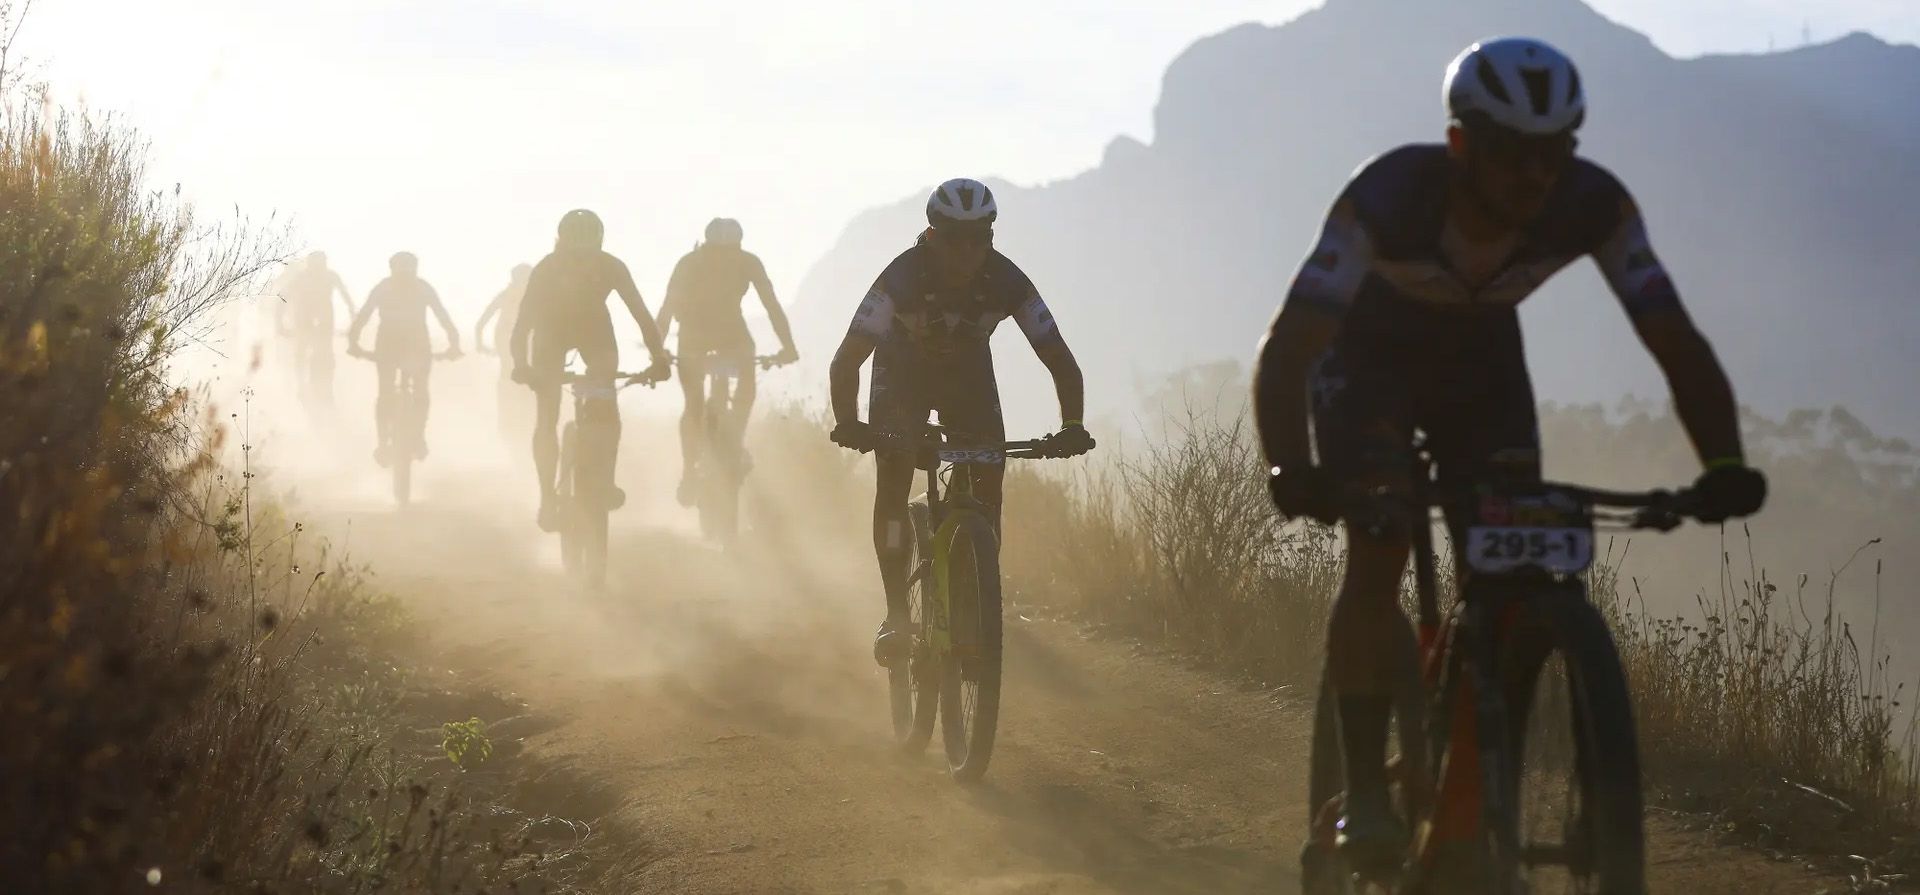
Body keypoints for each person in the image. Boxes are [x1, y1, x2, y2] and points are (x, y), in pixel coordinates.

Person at [1249, 37, 1769, 879]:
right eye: (1510, 153)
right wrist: (1290, 464)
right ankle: (1369, 797)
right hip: (1367, 359)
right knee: (1379, 543)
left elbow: (1671, 337)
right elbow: (1293, 344)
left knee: (1514, 554)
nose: (1534, 176)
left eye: (1554, 153)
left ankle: (1474, 767)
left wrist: (1724, 464)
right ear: (1460, 143)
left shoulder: (1593, 204)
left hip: (1481, 365)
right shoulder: (1385, 197)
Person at [827, 178, 1096, 665]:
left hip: (967, 378)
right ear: (932, 235)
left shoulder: (1008, 279)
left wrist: (1073, 424)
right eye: (954, 238)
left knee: (990, 477)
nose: (967, 251)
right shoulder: (900, 278)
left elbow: (1058, 356)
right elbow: (847, 360)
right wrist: (851, 423)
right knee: (894, 475)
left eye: (980, 238)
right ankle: (897, 616)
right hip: (901, 375)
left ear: (991, 238)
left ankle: (975, 599)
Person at [509, 209, 672, 530]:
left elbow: (641, 315)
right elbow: (524, 321)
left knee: (583, 405)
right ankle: (549, 496)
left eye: (586, 253)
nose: (581, 259)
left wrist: (522, 365)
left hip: (581, 335)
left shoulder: (567, 265)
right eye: (575, 253)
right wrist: (658, 358)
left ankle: (592, 485)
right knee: (556, 412)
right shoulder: (584, 265)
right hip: (562, 335)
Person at [658, 217, 799, 504]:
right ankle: (697, 464)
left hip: (703, 337)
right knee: (702, 400)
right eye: (717, 255)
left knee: (696, 403)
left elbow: (668, 308)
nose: (722, 260)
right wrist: (787, 347)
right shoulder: (745, 261)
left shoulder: (692, 262)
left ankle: (713, 455)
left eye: (727, 254)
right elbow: (770, 304)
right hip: (722, 335)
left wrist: (657, 353)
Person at [346, 252, 462, 466]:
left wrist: (353, 344)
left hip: (390, 348)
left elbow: (363, 316)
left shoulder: (384, 287)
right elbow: (443, 316)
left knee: (386, 393)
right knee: (419, 392)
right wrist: (454, 345)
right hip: (416, 347)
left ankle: (384, 444)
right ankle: (417, 439)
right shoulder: (422, 287)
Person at [275, 251, 355, 409]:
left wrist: (353, 318)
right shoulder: (307, 277)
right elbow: (283, 299)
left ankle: (322, 386)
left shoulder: (322, 276)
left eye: (321, 264)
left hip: (319, 319)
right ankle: (303, 384)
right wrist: (279, 323)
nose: (319, 268)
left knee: (321, 353)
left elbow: (346, 298)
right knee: (305, 351)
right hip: (307, 319)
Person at [475, 263, 535, 441]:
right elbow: (481, 322)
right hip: (513, 338)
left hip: (511, 338)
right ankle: (518, 410)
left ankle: (512, 410)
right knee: (517, 371)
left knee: (509, 372)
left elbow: (481, 322)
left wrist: (480, 343)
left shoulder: (508, 294)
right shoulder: (533, 296)